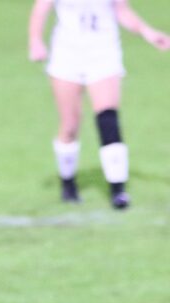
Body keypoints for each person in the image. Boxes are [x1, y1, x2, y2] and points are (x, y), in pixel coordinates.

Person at [28, 0, 170, 209]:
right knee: (70, 126)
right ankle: (68, 184)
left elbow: (122, 10)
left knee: (107, 117)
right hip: (67, 54)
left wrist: (148, 33)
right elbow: (40, 9)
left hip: (104, 52)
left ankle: (117, 190)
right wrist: (35, 41)